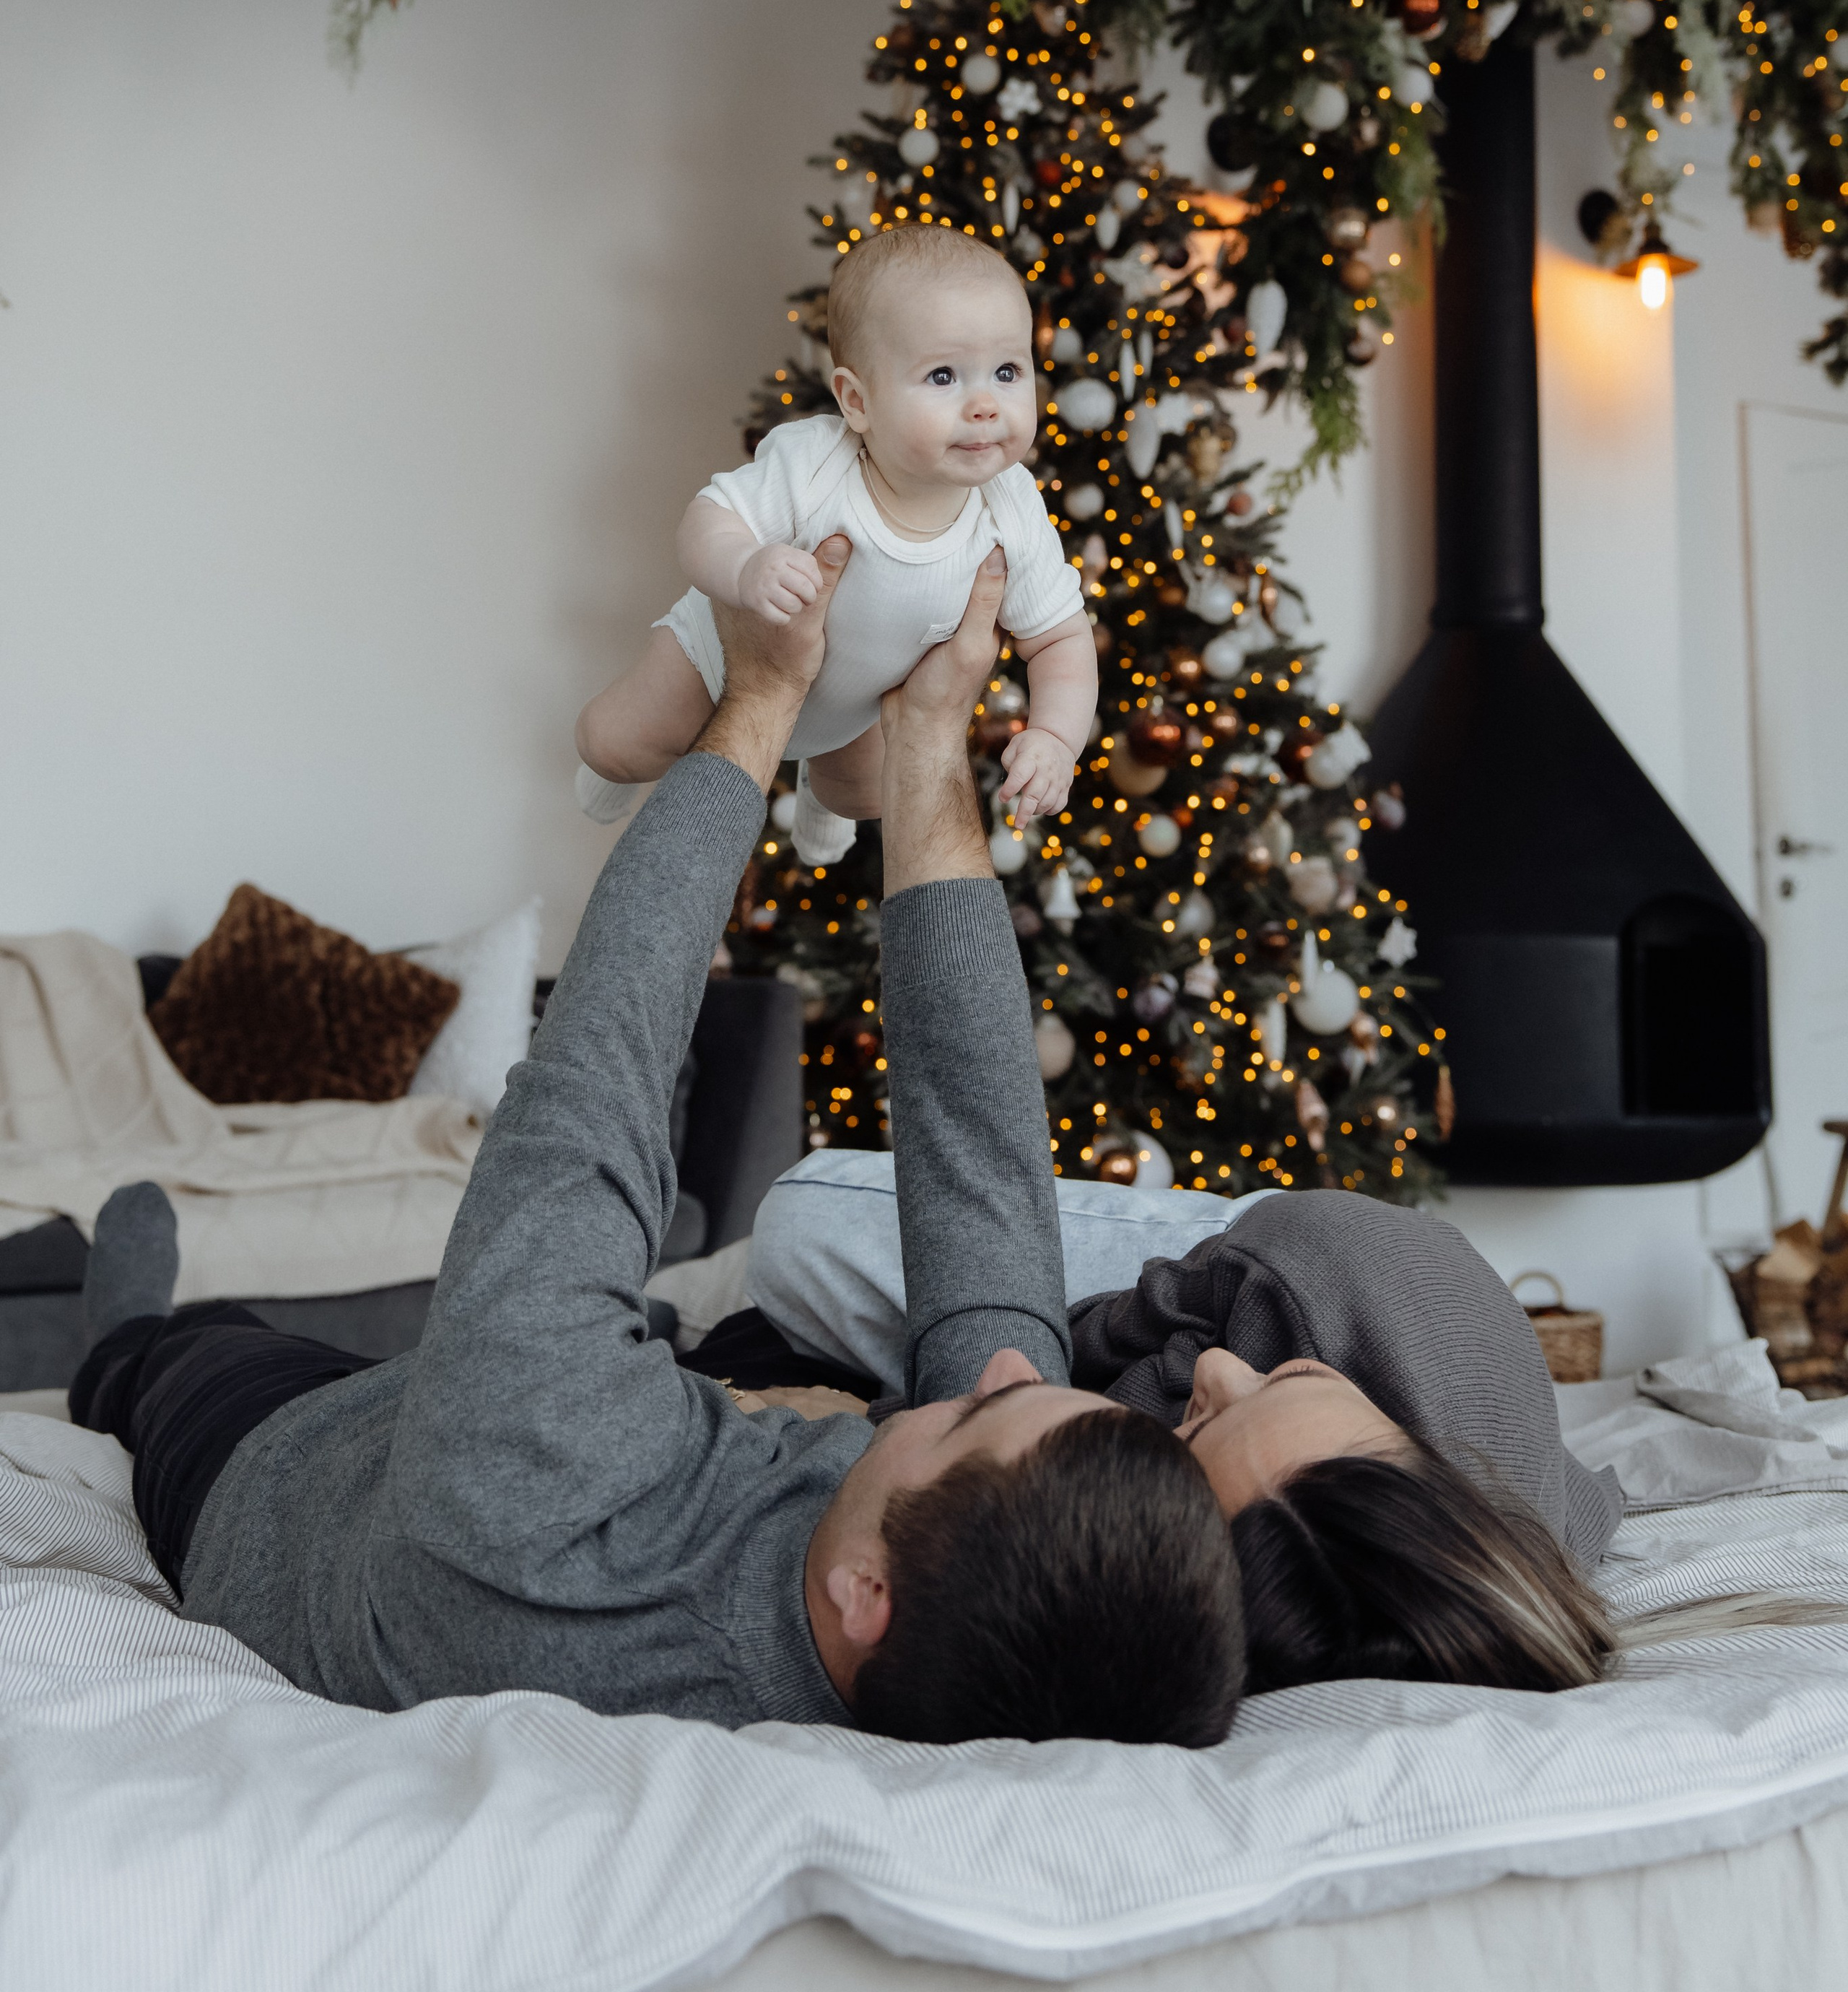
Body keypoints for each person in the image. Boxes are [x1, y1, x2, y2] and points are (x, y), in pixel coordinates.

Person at [71, 546, 1242, 1748]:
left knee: (185, 1358)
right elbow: (979, 1165)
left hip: (287, 1479)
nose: (1002, 1373)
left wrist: (759, 700)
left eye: (970, 1418)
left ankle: (121, 1345)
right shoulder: (968, 1618)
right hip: (505, 1431)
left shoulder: (555, 1484)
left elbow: (595, 1081)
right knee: (569, 1361)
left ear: (868, 1599)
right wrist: (930, 739)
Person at [746, 1150, 1625, 1696]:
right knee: (797, 1228)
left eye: (1193, 1429)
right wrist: (922, 1418)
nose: (1216, 1373)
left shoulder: (1335, 1608)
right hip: (1273, 1249)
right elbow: (1052, 1358)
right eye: (1291, 1381)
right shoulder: (1305, 1290)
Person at [573, 227, 1096, 864]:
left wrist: (1056, 737)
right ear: (856, 401)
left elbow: (1061, 639)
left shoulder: (1010, 507)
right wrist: (746, 565)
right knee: (614, 743)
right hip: (718, 662)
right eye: (943, 375)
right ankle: (612, 774)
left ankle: (819, 797)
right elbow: (708, 519)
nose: (986, 404)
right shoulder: (816, 463)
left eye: (1008, 371)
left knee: (866, 795)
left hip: (856, 706)